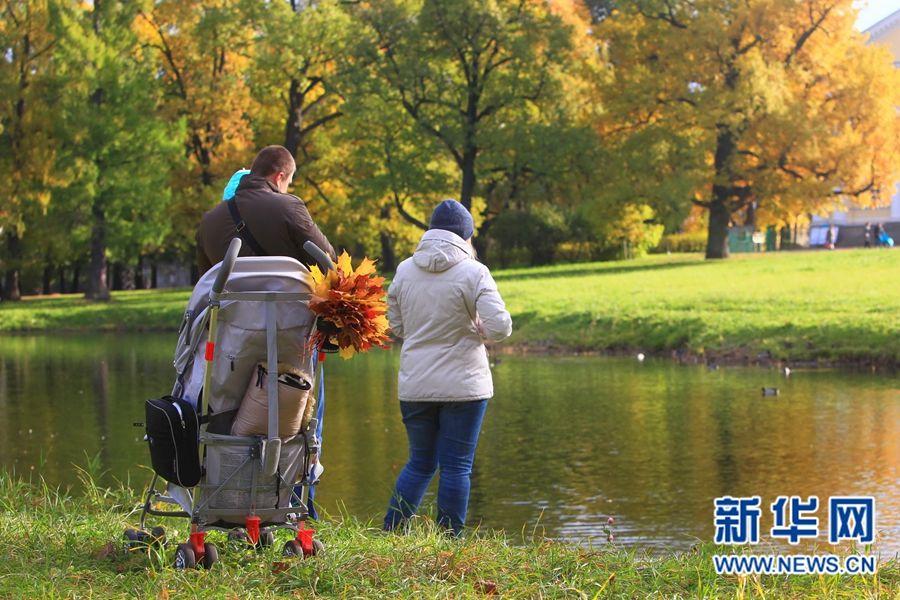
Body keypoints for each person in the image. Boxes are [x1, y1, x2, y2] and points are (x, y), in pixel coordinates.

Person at [383, 199, 513, 537]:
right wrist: (478, 329)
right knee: (456, 466)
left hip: (416, 384)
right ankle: (449, 542)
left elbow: (394, 323)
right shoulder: (474, 272)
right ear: (467, 236)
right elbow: (500, 327)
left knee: (420, 463)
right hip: (464, 385)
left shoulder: (404, 269)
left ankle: (393, 533)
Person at [196, 145, 335, 275]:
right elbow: (328, 261)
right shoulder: (289, 206)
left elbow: (206, 280)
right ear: (280, 177)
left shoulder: (208, 222)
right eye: (289, 183)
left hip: (231, 302)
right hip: (289, 300)